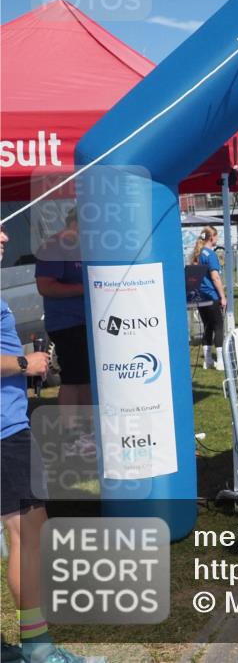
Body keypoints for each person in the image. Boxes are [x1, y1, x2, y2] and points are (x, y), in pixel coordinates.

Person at [3, 230, 103, 663]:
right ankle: (38, 648)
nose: (4, 234)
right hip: (5, 432)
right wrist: (25, 362)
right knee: (29, 535)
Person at [34, 208, 94, 454]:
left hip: (87, 322)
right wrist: (85, 288)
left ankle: (88, 431)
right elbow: (46, 287)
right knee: (73, 379)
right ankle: (72, 436)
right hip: (67, 323)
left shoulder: (83, 246)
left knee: (86, 378)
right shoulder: (54, 247)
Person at [188, 226, 226, 369]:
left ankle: (208, 360)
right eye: (216, 236)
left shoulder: (198, 253)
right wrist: (222, 296)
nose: (217, 238)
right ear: (211, 238)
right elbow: (215, 277)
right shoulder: (210, 254)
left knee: (208, 326)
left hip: (200, 296)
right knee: (218, 326)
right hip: (211, 295)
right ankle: (220, 361)